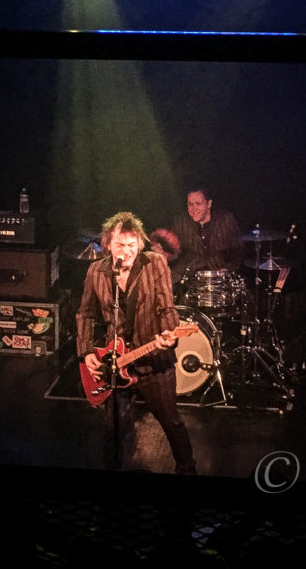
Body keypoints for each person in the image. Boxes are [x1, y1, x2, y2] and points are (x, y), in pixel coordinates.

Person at [76, 211, 197, 475]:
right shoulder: (96, 271)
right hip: (113, 362)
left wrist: (168, 335)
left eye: (132, 245)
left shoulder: (155, 264)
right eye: (121, 245)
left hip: (153, 360)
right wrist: (86, 352)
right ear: (108, 243)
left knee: (171, 422)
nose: (127, 251)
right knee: (113, 429)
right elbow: (84, 313)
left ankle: (187, 470)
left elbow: (166, 306)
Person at [168, 187, 244, 285]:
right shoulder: (181, 222)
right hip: (188, 274)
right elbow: (173, 250)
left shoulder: (226, 220)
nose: (193, 209)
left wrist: (228, 269)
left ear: (209, 204)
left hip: (218, 274)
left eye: (198, 204)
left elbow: (239, 251)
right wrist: (164, 251)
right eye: (190, 204)